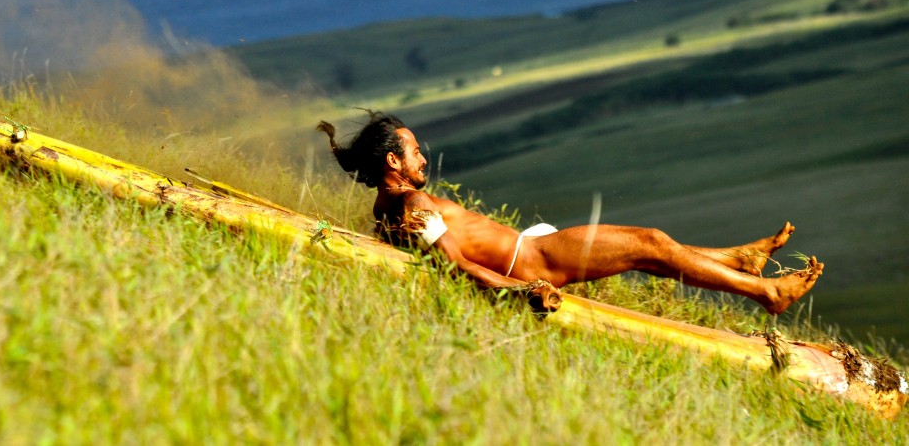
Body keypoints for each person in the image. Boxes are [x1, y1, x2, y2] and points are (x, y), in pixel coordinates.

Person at [317, 111, 824, 314]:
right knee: (650, 244)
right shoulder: (411, 204)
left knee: (651, 251)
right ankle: (768, 292)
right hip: (534, 259)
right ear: (393, 162)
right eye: (414, 151)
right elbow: (455, 265)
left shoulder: (386, 210)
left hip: (532, 250)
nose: (423, 158)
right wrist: (520, 294)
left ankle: (738, 258)